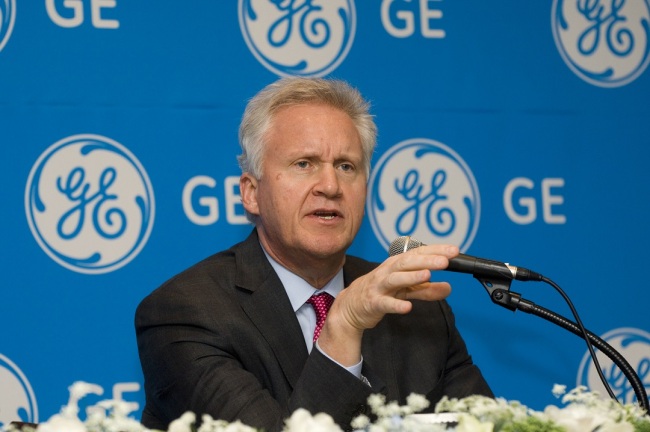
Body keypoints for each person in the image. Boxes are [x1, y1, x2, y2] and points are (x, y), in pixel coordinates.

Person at [135, 77, 493, 431]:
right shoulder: (186, 312)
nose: (331, 186)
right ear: (251, 193)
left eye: (346, 166)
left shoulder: (416, 309)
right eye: (304, 163)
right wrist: (344, 326)